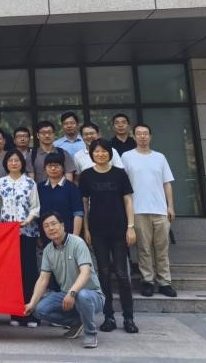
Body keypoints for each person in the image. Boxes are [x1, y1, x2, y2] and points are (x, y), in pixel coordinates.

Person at [80, 138, 138, 334]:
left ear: (110, 154)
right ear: (92, 154)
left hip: (119, 230)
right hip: (97, 231)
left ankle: (129, 317)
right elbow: (84, 204)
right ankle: (109, 316)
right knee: (103, 273)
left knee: (122, 274)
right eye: (96, 151)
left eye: (104, 151)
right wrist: (86, 229)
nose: (100, 154)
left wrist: (131, 227)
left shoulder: (120, 173)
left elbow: (128, 201)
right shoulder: (86, 175)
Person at [25, 211, 105, 350]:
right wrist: (32, 303)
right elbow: (43, 279)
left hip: (92, 295)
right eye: (46, 226)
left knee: (82, 295)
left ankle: (90, 334)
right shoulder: (48, 250)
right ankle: (77, 322)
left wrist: (72, 292)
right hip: (66, 295)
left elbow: (85, 272)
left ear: (62, 225)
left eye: (53, 224)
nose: (51, 228)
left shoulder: (78, 243)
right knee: (39, 310)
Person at [122, 124, 176, 298]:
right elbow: (123, 185)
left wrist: (170, 206)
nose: (142, 136)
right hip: (138, 210)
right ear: (133, 136)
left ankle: (165, 282)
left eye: (145, 133)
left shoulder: (160, 157)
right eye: (139, 134)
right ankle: (147, 281)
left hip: (160, 210)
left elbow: (167, 183)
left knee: (162, 249)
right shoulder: (127, 157)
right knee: (144, 249)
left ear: (150, 136)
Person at [0, 149, 40, 327]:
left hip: (27, 232)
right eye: (10, 160)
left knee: (29, 272)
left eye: (17, 160)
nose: (13, 163)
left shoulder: (30, 183)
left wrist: (27, 220)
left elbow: (35, 207)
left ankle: (30, 313)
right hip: (7, 235)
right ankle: (14, 312)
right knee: (12, 273)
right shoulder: (1, 183)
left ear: (22, 163)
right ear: (6, 163)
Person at [37, 152, 84, 236]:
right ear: (45, 168)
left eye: (57, 166)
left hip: (67, 234)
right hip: (46, 235)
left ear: (63, 168)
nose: (53, 168)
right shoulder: (39, 187)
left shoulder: (71, 187)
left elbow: (78, 214)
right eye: (49, 166)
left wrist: (75, 237)